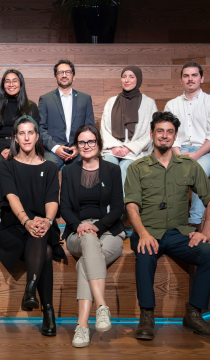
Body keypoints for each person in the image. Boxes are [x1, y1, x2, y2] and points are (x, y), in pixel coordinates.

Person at [125, 111, 210, 340]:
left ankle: (194, 314)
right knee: (145, 252)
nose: (164, 136)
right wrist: (143, 234)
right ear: (152, 134)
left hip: (180, 233)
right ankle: (147, 316)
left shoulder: (189, 165)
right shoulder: (137, 168)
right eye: (160, 131)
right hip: (148, 231)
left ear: (175, 136)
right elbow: (131, 206)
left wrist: (206, 233)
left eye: (169, 132)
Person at [0, 116, 63, 337]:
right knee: (45, 248)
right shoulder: (6, 165)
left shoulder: (51, 167)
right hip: (15, 227)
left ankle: (31, 291)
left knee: (41, 235)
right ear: (15, 137)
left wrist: (48, 220)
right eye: (21, 133)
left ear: (37, 136)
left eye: (30, 132)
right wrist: (27, 220)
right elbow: (12, 197)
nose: (26, 137)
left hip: (42, 226)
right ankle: (48, 311)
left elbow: (52, 200)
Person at [60, 125, 125, 348]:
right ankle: (102, 306)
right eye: (82, 142)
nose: (86, 146)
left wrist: (97, 227)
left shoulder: (112, 170)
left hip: (110, 232)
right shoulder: (68, 171)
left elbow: (118, 208)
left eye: (91, 142)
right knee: (87, 240)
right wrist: (80, 225)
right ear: (76, 146)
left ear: (98, 144)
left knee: (84, 265)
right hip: (76, 232)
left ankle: (82, 327)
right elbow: (65, 208)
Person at [165, 62, 210, 232]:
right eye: (186, 76)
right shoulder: (172, 105)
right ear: (181, 80)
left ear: (201, 78)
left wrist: (196, 155)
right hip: (178, 150)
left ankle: (194, 222)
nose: (190, 79)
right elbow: (169, 133)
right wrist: (178, 155)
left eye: (194, 75)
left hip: (206, 152)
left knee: (196, 171)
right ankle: (169, 220)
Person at [101, 66, 157, 189]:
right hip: (112, 150)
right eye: (124, 76)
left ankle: (121, 206)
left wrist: (128, 148)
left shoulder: (149, 103)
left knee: (125, 167)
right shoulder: (111, 102)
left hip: (136, 152)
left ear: (138, 80)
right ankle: (106, 207)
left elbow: (150, 132)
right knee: (108, 165)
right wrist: (115, 146)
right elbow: (104, 128)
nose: (127, 80)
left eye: (131, 77)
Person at [38, 59, 95, 170]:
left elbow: (90, 128)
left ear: (74, 76)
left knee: (84, 168)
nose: (64, 75)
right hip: (53, 150)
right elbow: (40, 128)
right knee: (47, 167)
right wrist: (55, 147)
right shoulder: (45, 99)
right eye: (60, 72)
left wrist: (80, 147)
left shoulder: (85, 99)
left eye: (68, 72)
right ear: (55, 78)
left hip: (79, 149)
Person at [0, 69, 40, 175]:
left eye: (15, 81)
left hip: (24, 147)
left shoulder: (31, 106)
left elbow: (35, 133)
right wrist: (2, 150)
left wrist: (18, 150)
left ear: (20, 83)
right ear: (3, 84)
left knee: (23, 174)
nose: (11, 84)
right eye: (7, 81)